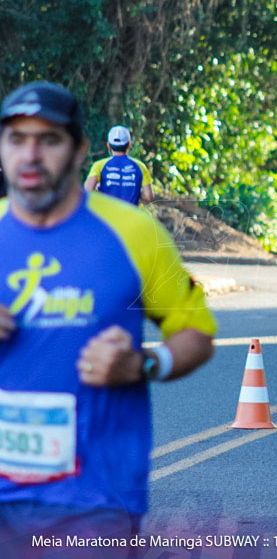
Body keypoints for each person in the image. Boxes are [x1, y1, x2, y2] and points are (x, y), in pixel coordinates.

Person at [0, 82, 216, 548]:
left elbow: (196, 333)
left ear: (80, 151)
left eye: (49, 139)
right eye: (17, 139)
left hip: (97, 499)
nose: (31, 155)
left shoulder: (136, 233)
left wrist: (143, 364)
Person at [84, 125, 154, 206]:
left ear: (108, 145)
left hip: (106, 216)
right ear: (129, 145)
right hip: (131, 216)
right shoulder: (140, 166)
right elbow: (148, 196)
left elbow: (88, 189)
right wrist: (134, 192)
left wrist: (101, 192)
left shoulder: (99, 165)